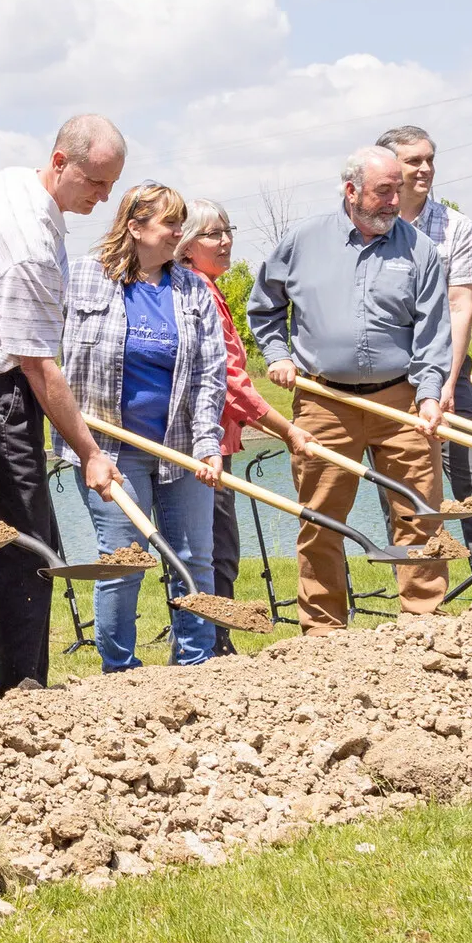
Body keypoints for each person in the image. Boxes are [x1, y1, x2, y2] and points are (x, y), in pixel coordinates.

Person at [0, 115, 126, 693]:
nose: (102, 197)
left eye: (111, 184)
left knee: (22, 540)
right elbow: (39, 367)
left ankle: (22, 684)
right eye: (95, 182)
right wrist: (92, 452)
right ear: (61, 161)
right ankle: (22, 692)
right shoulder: (31, 246)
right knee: (26, 547)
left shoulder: (7, 182)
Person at [246, 146, 452, 629]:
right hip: (323, 402)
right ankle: (323, 631)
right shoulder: (303, 240)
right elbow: (264, 308)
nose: (393, 201)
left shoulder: (417, 248)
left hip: (401, 401)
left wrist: (428, 393)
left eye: (397, 191)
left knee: (419, 515)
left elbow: (432, 330)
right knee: (320, 521)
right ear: (351, 190)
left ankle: (424, 624)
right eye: (384, 191)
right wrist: (278, 355)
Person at [58, 181, 228, 670]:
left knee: (194, 557)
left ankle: (196, 663)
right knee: (123, 562)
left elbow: (208, 377)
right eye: (171, 223)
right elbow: (42, 350)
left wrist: (207, 444)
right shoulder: (85, 278)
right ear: (134, 227)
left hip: (179, 447)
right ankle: (120, 673)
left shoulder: (194, 289)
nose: (181, 232)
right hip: (109, 449)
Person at [174, 198, 332, 653]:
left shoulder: (210, 289)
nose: (225, 241)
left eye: (228, 231)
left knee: (217, 544)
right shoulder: (197, 292)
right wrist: (287, 429)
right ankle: (210, 645)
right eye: (212, 234)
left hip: (216, 439)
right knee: (213, 547)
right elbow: (230, 381)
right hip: (201, 441)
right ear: (186, 247)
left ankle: (212, 642)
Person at [376, 125, 472, 598]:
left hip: (449, 372)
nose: (426, 168)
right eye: (414, 161)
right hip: (385, 381)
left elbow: (460, 306)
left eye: (430, 159)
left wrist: (446, 382)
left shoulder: (456, 227)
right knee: (403, 492)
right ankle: (416, 600)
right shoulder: (369, 225)